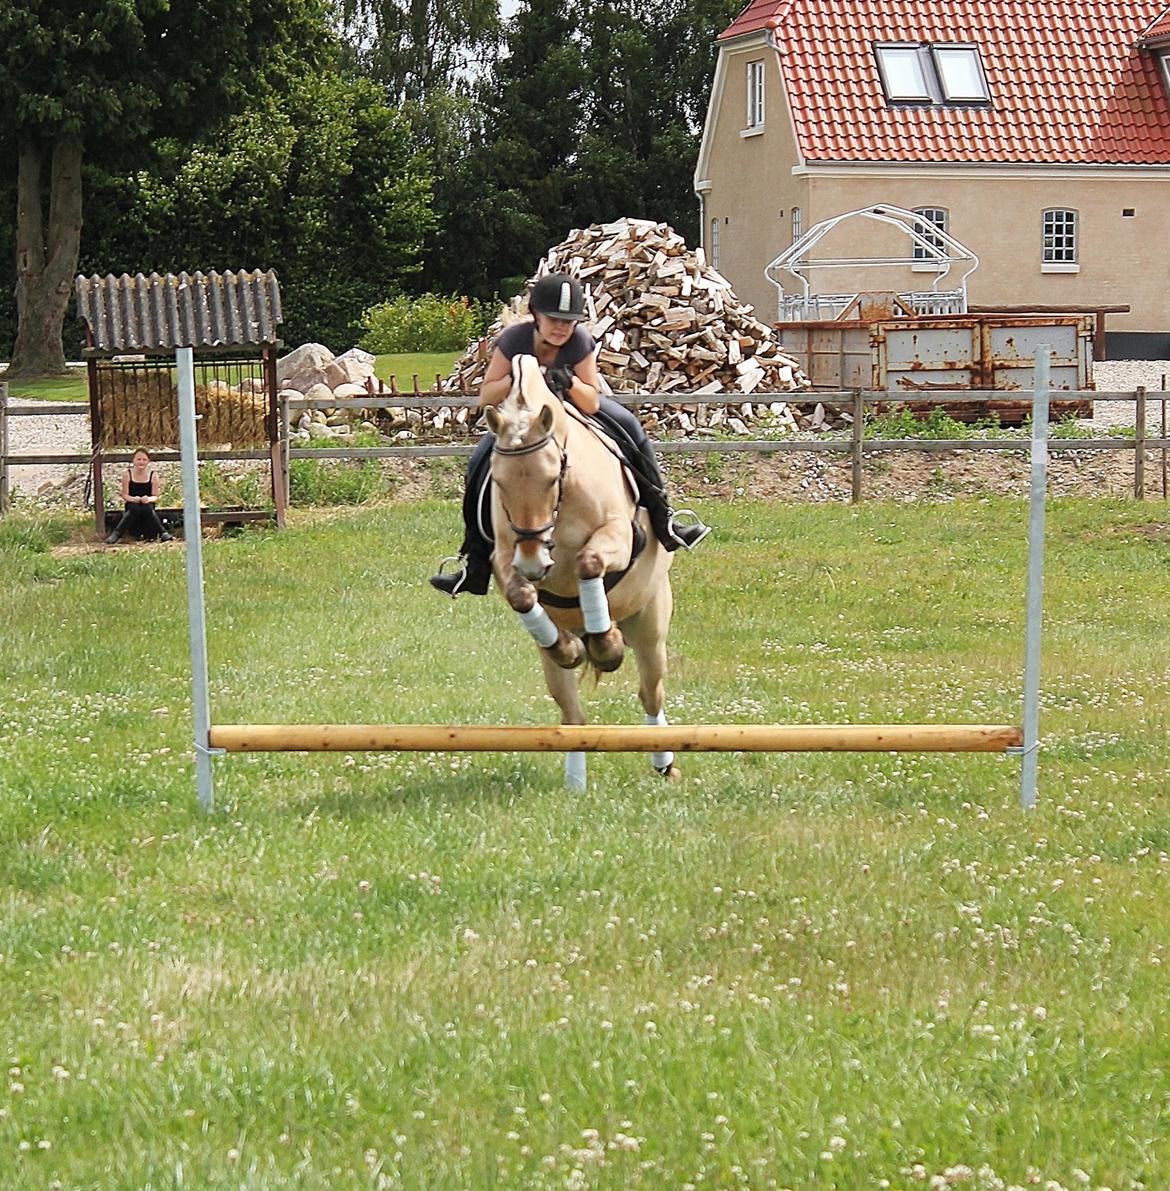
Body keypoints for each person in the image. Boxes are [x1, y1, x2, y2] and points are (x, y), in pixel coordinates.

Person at [430, 273, 710, 596]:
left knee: (630, 426)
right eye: (554, 319)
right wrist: (525, 374)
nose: (562, 328)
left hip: (573, 409)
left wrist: (569, 381)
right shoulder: (514, 339)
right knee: (479, 459)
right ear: (536, 315)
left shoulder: (580, 341)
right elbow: (487, 396)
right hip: (523, 422)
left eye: (569, 321)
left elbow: (591, 400)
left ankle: (666, 520)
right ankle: (475, 562)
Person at [105, 448, 174, 544]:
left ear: (148, 461)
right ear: (133, 460)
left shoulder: (153, 475)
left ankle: (163, 533)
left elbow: (156, 496)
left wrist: (148, 499)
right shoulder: (127, 474)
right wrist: (134, 499)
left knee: (146, 508)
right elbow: (125, 495)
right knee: (135, 508)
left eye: (144, 459)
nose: (141, 462)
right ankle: (116, 534)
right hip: (132, 505)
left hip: (147, 505)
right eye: (138, 459)